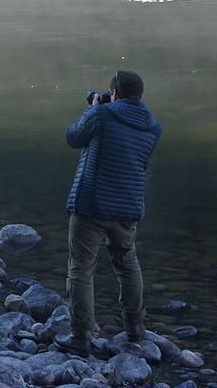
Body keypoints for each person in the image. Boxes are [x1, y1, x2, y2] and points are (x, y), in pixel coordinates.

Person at [56, 69, 162, 357]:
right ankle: (136, 328)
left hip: (92, 205)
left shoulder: (102, 115)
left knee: (81, 269)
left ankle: (81, 336)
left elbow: (73, 137)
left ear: (114, 93)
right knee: (127, 265)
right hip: (128, 207)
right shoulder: (153, 127)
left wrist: (92, 110)